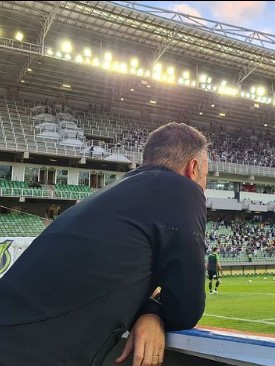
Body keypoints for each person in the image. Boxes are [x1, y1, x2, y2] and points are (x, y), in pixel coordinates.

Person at [0, 122, 209, 366]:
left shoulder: (110, 194)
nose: (203, 186)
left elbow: (104, 278)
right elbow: (186, 309)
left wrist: (148, 311)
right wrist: (153, 312)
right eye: (206, 176)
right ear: (192, 169)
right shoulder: (181, 190)